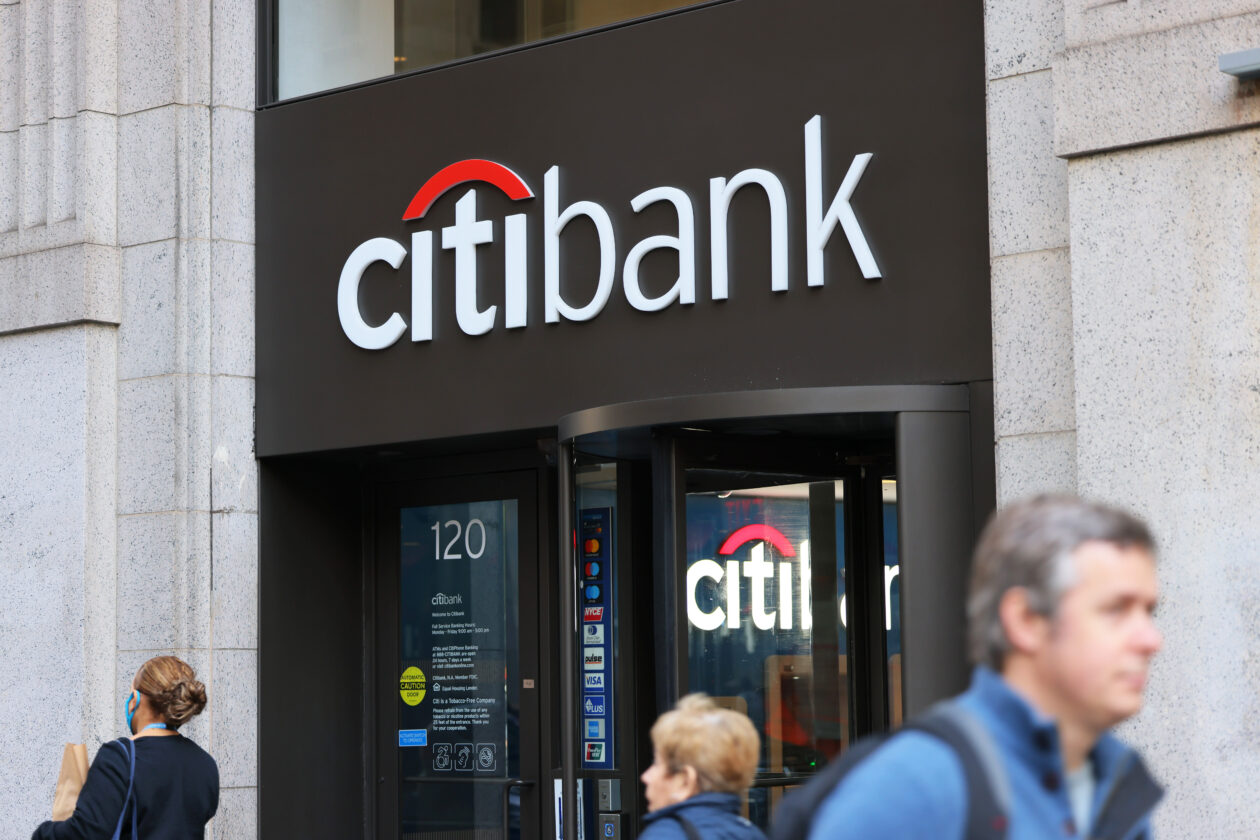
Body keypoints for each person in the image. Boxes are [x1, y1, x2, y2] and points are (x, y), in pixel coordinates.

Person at [806, 495, 1163, 839]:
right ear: (1025, 620)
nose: (1150, 639)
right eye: (1116, 610)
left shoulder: (1116, 780)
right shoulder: (913, 788)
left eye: (1149, 612)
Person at [33, 655, 219, 839]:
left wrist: (44, 833)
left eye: (131, 693)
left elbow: (85, 833)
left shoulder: (119, 757)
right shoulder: (205, 764)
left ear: (136, 699)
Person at [640, 694, 768, 840]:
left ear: (686, 780)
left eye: (657, 764)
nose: (646, 777)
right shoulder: (751, 833)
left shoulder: (666, 835)